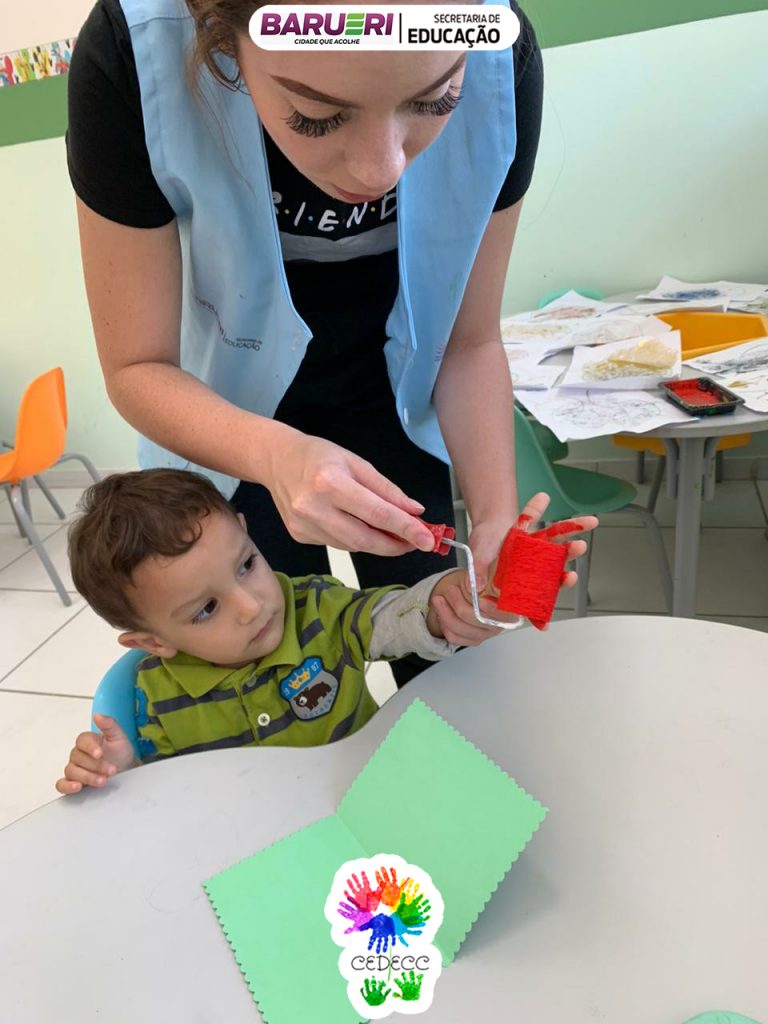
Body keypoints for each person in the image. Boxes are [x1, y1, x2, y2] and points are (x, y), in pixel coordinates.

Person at [66, 0, 544, 684]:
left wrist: (495, 520)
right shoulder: (132, 52)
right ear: (218, 30)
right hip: (228, 415)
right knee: (268, 678)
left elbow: (467, 343)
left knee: (445, 653)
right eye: (317, 115)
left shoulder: (500, 51)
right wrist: (273, 455)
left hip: (396, 395)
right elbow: (137, 366)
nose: (380, 171)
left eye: (435, 99)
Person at [54, 470, 593, 795]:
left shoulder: (316, 609)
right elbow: (169, 795)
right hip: (248, 844)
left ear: (247, 533)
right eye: (206, 609)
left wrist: (454, 597)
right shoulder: (153, 696)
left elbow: (395, 618)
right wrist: (124, 772)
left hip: (360, 801)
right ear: (154, 643)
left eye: (247, 565)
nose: (252, 605)